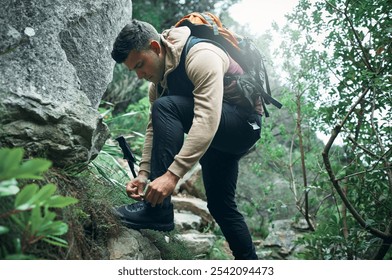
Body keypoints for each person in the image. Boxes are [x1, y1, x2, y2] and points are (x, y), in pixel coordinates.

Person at [111, 19, 262, 260]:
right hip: (214, 138)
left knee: (165, 106)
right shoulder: (159, 82)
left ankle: (157, 211)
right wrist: (143, 174)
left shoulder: (201, 55)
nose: (140, 75)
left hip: (243, 125)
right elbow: (154, 128)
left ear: (156, 47)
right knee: (221, 207)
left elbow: (207, 119)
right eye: (134, 70)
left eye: (140, 64)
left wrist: (171, 176)